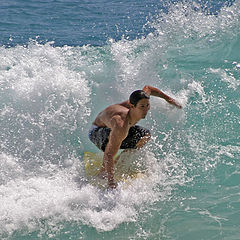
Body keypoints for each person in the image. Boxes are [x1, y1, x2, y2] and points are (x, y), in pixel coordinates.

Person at [88, 85, 182, 188]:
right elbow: (109, 154)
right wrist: (111, 181)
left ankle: (118, 161)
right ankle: (102, 173)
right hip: (96, 132)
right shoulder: (121, 124)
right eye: (142, 107)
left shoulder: (141, 98)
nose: (146, 109)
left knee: (145, 135)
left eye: (147, 105)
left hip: (113, 127)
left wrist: (168, 99)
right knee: (112, 148)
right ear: (132, 106)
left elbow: (148, 88)